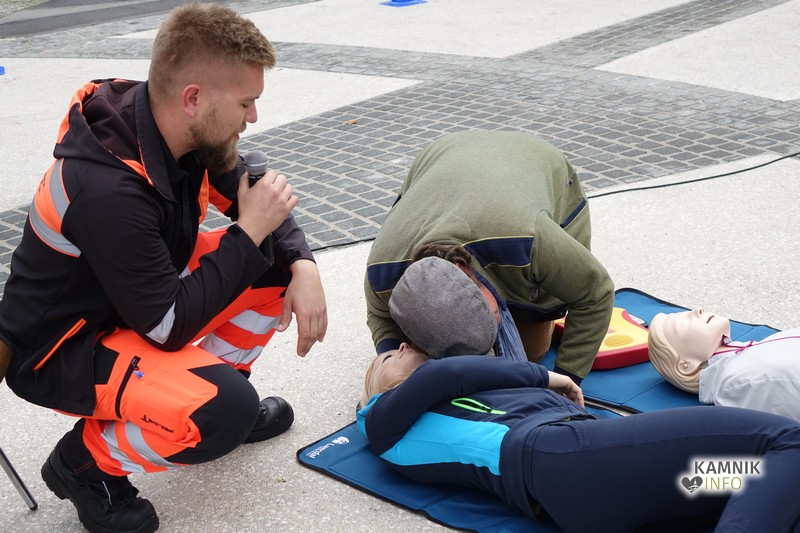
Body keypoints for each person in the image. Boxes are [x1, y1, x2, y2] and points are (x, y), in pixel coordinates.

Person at [0, 4, 327, 532]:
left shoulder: (171, 121)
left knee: (272, 265)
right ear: (193, 98)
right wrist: (250, 232)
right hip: (67, 348)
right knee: (220, 412)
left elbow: (253, 195)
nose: (252, 118)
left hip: (134, 304)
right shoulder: (106, 188)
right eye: (246, 103)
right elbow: (168, 325)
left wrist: (303, 265)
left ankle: (209, 388)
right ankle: (85, 464)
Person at [358, 346, 800, 532]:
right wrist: (550, 377)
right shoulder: (380, 420)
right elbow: (447, 371)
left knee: (752, 479)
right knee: (785, 443)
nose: (402, 347)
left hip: (592, 492)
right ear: (377, 387)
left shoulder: (446, 408)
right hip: (568, 456)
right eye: (390, 354)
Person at [364, 130, 614, 385]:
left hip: (533, 160)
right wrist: (394, 371)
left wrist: (566, 379)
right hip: (446, 157)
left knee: (531, 353)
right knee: (425, 355)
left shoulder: (528, 239)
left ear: (465, 269)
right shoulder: (383, 270)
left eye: (491, 314)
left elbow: (596, 293)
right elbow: (380, 314)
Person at [648, 308, 800, 421]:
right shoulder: (736, 385)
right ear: (686, 365)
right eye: (683, 323)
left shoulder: (748, 355)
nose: (698, 310)